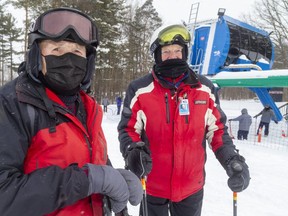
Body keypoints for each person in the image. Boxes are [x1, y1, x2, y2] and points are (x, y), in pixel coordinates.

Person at [0, 7, 142, 216]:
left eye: (77, 51)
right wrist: (88, 179)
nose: (68, 59)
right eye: (56, 49)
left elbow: (95, 161)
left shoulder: (87, 107)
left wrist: (113, 180)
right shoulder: (11, 103)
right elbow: (4, 194)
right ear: (37, 56)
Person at [117, 24, 250, 216]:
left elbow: (218, 131)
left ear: (185, 52)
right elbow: (128, 129)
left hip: (191, 187)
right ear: (157, 55)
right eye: (167, 51)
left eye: (178, 50)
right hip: (153, 185)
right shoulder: (139, 89)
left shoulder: (204, 88)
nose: (173, 56)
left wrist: (232, 159)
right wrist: (132, 151)